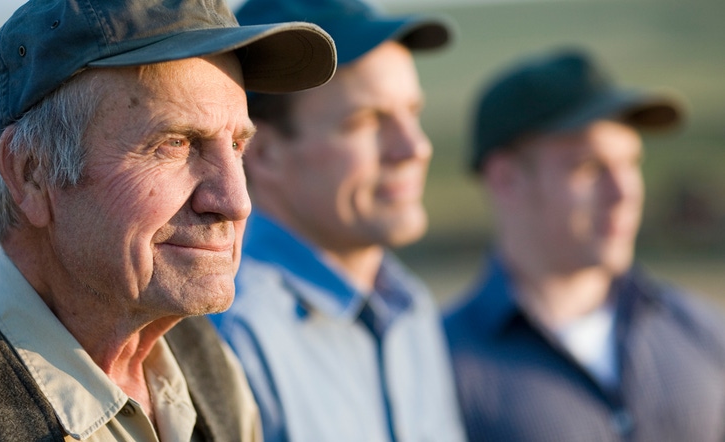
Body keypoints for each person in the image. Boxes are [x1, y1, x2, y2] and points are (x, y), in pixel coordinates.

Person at [0, 0, 337, 440]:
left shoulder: (211, 370)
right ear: (31, 174)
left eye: (237, 146)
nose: (235, 201)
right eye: (175, 144)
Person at [209, 0, 465, 440]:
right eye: (366, 122)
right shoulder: (235, 333)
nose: (413, 147)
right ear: (263, 153)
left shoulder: (410, 308)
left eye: (413, 113)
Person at [443, 48, 725, 441]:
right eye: (589, 168)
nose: (623, 192)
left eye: (631, 164)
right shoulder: (440, 366)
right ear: (506, 179)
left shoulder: (705, 333)